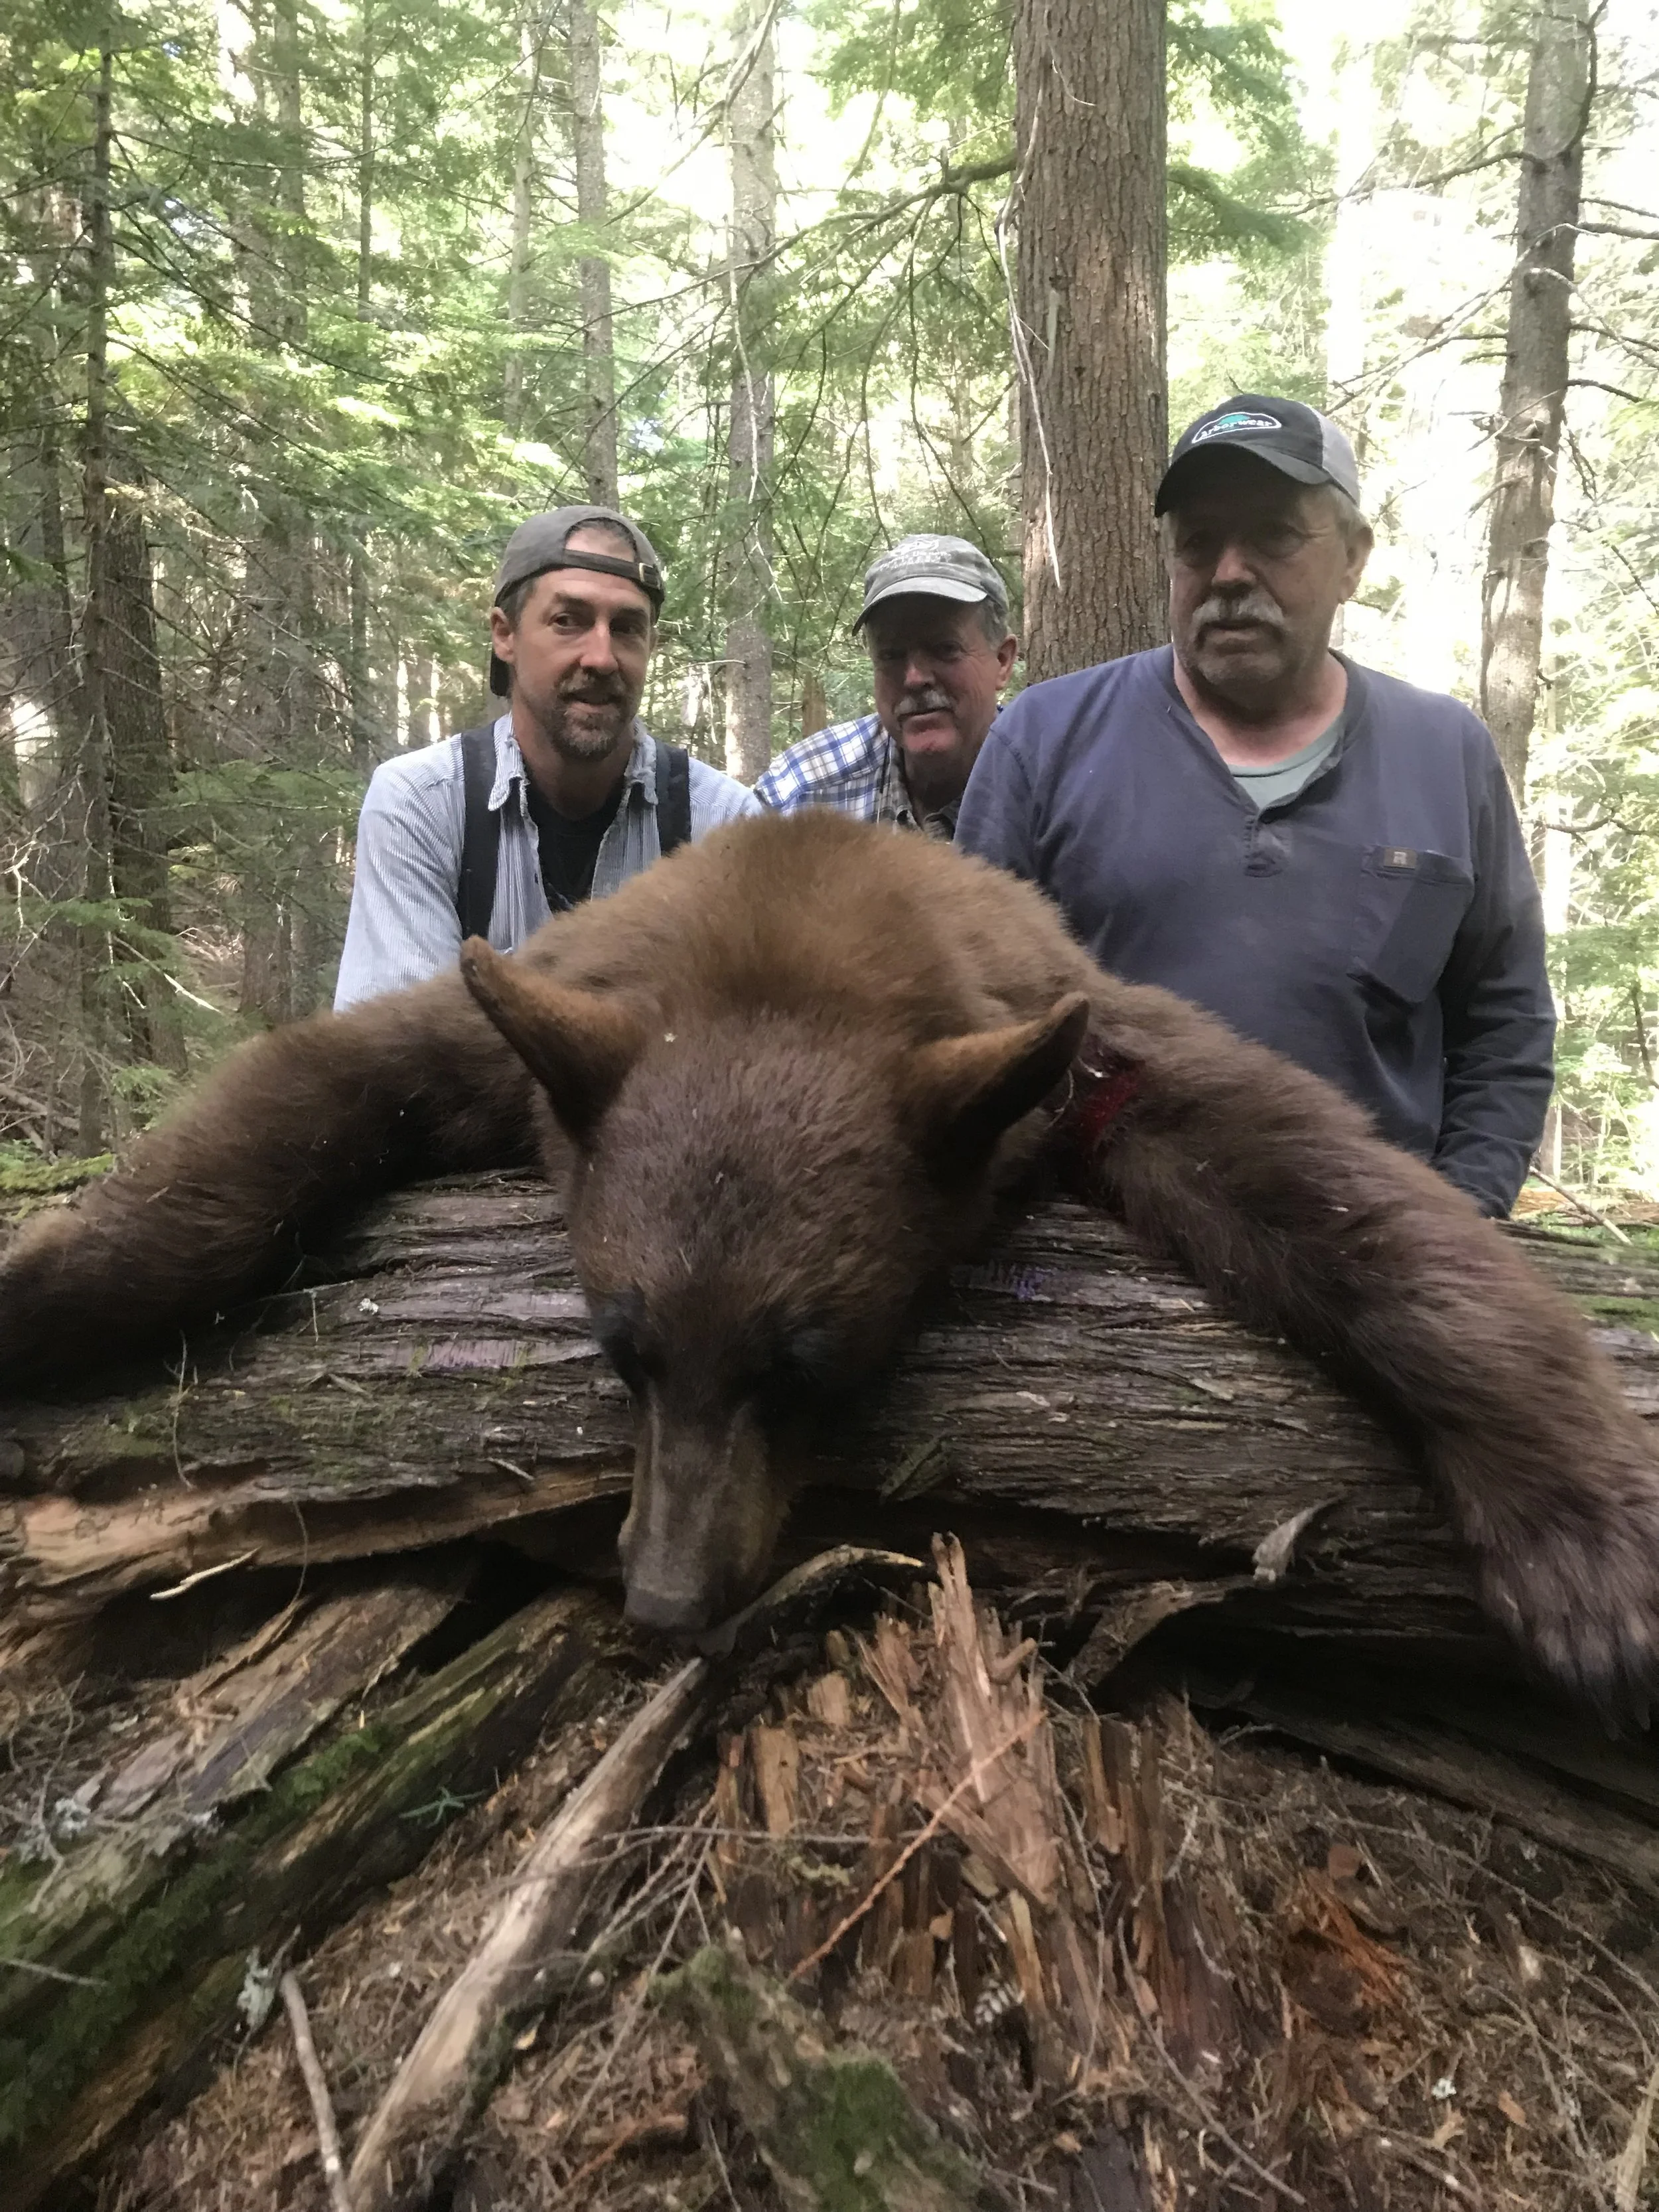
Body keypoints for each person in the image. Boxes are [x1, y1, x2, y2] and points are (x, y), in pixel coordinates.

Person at [956, 394, 1554, 1218]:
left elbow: (1504, 1021)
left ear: (1352, 558)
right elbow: (978, 1020)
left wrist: (1465, 1216)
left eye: (1273, 535)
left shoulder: (1445, 752)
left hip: (1378, 1257)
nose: (1229, 572)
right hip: (1105, 1265)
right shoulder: (1044, 741)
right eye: (1198, 542)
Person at [334, 506, 757, 1011]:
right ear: (504, 634)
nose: (601, 657)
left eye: (626, 628)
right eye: (567, 621)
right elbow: (400, 1059)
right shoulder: (423, 805)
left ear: (651, 646)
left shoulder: (722, 826)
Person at [755, 534, 1018, 836]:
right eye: (892, 655)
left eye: (945, 649)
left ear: (1002, 661)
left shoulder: (1051, 789)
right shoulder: (800, 792)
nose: (915, 678)